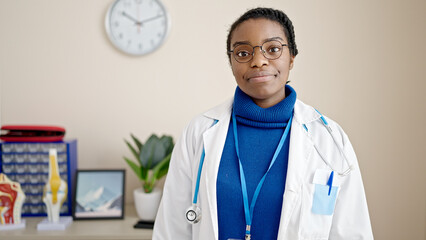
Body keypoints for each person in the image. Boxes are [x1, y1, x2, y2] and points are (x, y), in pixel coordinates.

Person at [153, 7, 373, 240]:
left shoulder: (329, 138)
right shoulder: (199, 132)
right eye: (243, 53)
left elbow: (351, 231)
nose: (258, 61)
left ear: (292, 58)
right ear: (231, 62)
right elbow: (172, 229)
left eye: (273, 49)